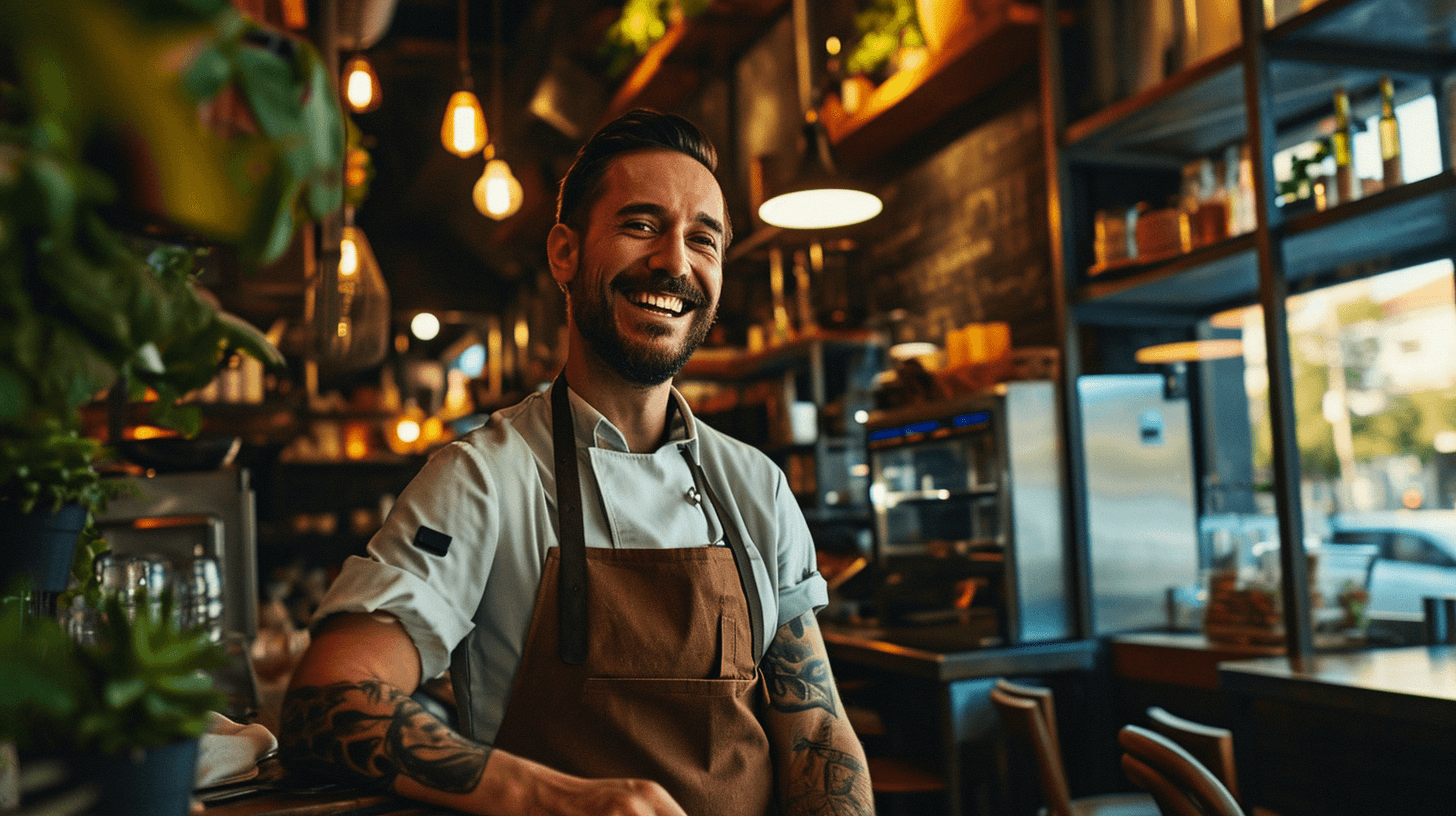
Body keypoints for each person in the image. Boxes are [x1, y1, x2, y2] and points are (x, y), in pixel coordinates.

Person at [279, 109, 873, 816]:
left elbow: (817, 736)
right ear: (565, 254)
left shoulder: (757, 487)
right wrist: (554, 798)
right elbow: (326, 698)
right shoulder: (482, 479)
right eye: (641, 225)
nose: (675, 263)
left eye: (702, 239)